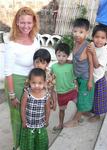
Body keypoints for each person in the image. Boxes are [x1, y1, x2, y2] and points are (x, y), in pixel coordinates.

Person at [4, 7, 40, 150]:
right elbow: (8, 72)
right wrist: (12, 95)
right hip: (16, 82)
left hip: (33, 82)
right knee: (18, 117)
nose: (26, 26)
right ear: (17, 23)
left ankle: (27, 143)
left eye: (29, 23)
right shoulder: (12, 43)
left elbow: (38, 60)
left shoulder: (35, 38)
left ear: (33, 23)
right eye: (22, 22)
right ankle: (17, 145)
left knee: (30, 114)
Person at [65, 18, 94, 127]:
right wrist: (69, 61)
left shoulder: (87, 47)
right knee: (80, 97)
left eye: (81, 32)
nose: (77, 34)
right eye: (75, 31)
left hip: (86, 78)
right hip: (78, 78)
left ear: (86, 33)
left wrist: (90, 81)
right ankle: (84, 111)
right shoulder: (75, 44)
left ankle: (75, 120)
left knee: (82, 99)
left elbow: (91, 65)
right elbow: (77, 60)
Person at [20, 68, 50, 150]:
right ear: (29, 82)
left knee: (40, 143)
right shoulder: (27, 93)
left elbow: (47, 109)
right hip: (29, 124)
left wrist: (47, 120)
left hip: (40, 124)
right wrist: (24, 121)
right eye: (33, 83)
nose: (36, 85)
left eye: (40, 83)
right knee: (29, 143)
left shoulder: (46, 95)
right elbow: (22, 107)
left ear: (44, 83)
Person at [51, 42, 78, 130]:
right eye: (59, 55)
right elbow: (51, 80)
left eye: (64, 56)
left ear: (68, 56)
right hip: (60, 93)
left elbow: (75, 78)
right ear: (55, 55)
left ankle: (77, 118)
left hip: (71, 91)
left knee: (79, 104)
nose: (61, 58)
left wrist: (77, 87)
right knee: (62, 110)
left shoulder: (71, 66)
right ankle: (60, 124)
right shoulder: (53, 67)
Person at [87, 24, 107, 122]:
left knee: (98, 99)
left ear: (106, 39)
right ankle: (90, 110)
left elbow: (96, 65)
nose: (99, 40)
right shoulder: (91, 46)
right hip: (90, 77)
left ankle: (97, 115)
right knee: (91, 96)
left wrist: (94, 53)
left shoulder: (104, 51)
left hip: (99, 78)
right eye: (97, 37)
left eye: (102, 38)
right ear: (92, 37)